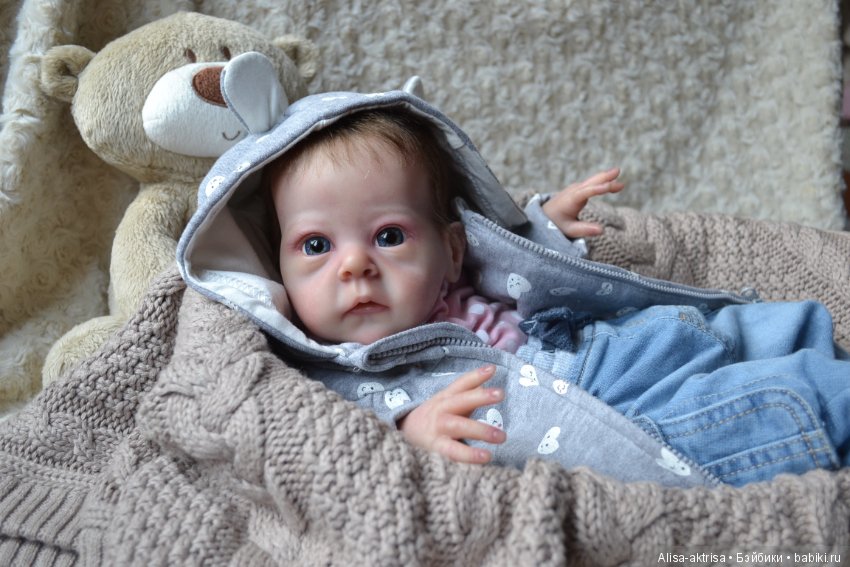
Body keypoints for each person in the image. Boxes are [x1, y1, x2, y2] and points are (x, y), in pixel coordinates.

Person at [179, 87, 850, 487]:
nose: (354, 266)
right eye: (316, 246)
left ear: (449, 250)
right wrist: (409, 430)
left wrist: (543, 228)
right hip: (600, 405)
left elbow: (516, 269)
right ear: (277, 270)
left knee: (767, 326)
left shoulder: (459, 273)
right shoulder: (330, 371)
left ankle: (811, 338)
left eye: (388, 235)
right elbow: (330, 445)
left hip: (612, 341)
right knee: (773, 405)